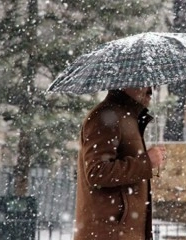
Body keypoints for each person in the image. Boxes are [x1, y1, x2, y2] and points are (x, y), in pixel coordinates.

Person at [74, 87, 166, 240]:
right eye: (143, 82)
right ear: (124, 83)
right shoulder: (105, 116)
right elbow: (97, 172)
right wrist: (146, 162)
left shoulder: (125, 117)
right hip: (109, 234)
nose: (151, 89)